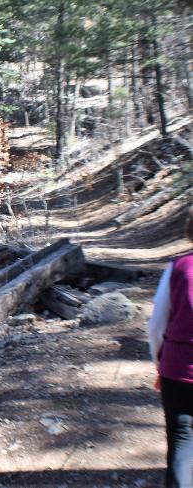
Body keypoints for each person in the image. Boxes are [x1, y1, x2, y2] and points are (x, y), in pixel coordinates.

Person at [149, 204, 193, 488]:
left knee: (182, 441)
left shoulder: (178, 268)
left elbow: (156, 327)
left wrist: (158, 361)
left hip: (177, 370)